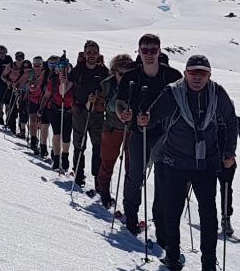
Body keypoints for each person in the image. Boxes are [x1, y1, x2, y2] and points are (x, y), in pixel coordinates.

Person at [143, 54, 239, 271]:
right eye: (193, 72)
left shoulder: (218, 94)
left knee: (209, 218)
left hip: (206, 164)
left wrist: (229, 152)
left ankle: (209, 270)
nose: (197, 77)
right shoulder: (172, 92)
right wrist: (143, 120)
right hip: (175, 162)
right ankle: (173, 256)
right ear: (185, 73)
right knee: (172, 212)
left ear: (209, 75)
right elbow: (153, 117)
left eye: (202, 73)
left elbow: (231, 121)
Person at [115, 33, 180, 235]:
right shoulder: (130, 77)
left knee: (164, 181)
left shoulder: (173, 77)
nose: (149, 54)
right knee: (135, 176)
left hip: (166, 136)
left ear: (159, 51)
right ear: (139, 52)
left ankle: (161, 225)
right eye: (145, 50)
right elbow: (120, 101)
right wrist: (122, 113)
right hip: (138, 132)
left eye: (153, 50)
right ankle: (131, 218)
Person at [92, 54, 133, 207]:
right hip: (112, 127)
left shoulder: (134, 83)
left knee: (131, 167)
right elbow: (98, 106)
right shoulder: (107, 85)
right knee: (107, 161)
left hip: (130, 130)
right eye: (121, 73)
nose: (124, 77)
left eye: (127, 73)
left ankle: (129, 200)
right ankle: (104, 193)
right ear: (114, 71)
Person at [68, 40, 110, 189]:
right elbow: (68, 87)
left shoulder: (104, 71)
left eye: (94, 52)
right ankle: (78, 176)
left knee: (98, 147)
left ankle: (98, 180)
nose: (91, 55)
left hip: (97, 114)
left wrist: (99, 99)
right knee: (79, 145)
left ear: (98, 54)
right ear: (84, 54)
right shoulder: (78, 70)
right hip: (80, 112)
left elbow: (109, 91)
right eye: (89, 52)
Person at [41, 56, 76, 171]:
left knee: (66, 137)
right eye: (60, 67)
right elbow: (47, 95)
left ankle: (65, 155)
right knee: (57, 134)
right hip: (55, 109)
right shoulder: (54, 80)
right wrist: (42, 107)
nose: (62, 69)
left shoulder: (73, 79)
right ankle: (57, 159)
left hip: (68, 110)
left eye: (64, 67)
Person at [220, 115, 240, 237]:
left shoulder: (237, 120)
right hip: (213, 159)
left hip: (228, 160)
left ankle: (226, 218)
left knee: (226, 188)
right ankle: (213, 218)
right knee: (221, 189)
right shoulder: (213, 118)